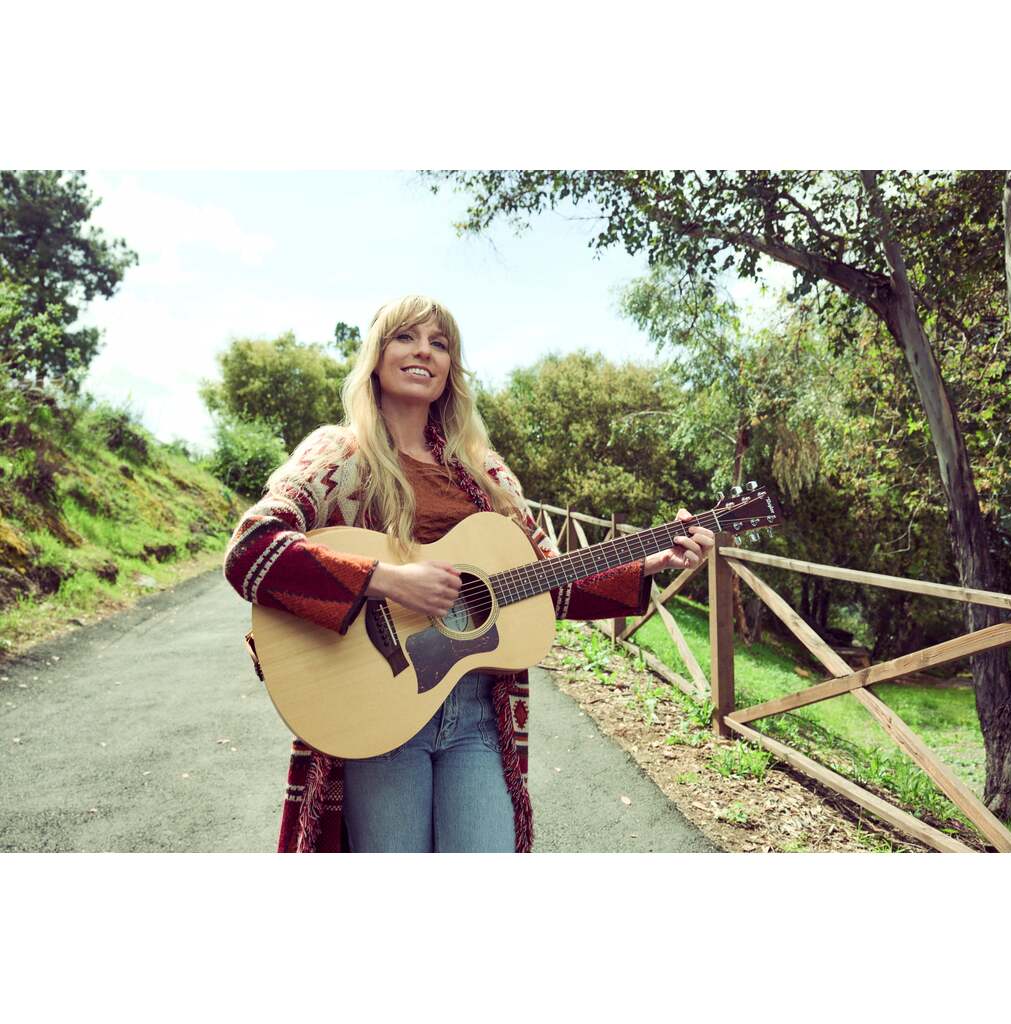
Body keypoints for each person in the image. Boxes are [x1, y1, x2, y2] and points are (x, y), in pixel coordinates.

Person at [223, 294, 715, 852]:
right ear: (376, 356)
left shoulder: (486, 473)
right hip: (381, 709)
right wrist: (387, 579)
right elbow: (250, 548)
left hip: (478, 717)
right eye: (405, 337)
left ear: (451, 369)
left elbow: (543, 583)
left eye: (439, 344)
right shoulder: (340, 454)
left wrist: (651, 561)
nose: (423, 351)